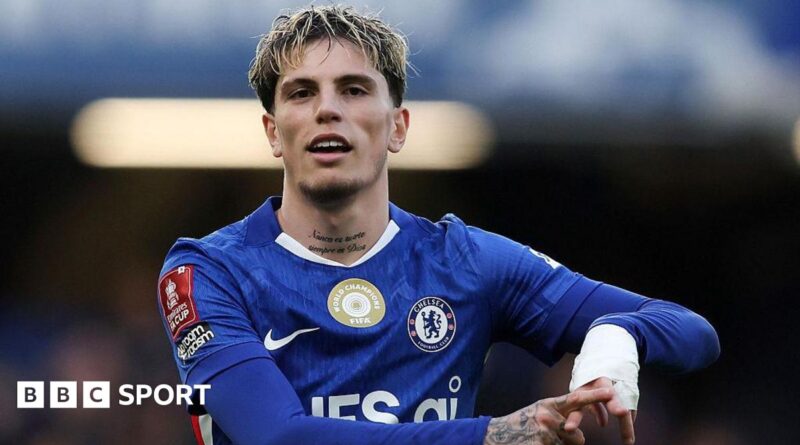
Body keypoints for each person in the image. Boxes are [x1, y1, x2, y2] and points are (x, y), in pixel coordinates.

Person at [157, 5, 720, 445]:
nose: (327, 110)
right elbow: (278, 436)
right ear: (274, 132)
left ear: (398, 127)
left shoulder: (465, 262)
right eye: (301, 94)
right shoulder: (209, 272)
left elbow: (691, 331)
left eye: (354, 90)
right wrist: (490, 434)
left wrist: (617, 337)